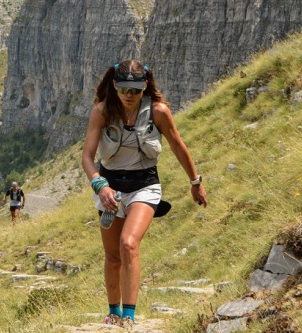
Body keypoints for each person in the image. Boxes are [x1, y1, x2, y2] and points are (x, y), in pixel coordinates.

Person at [81, 60, 207, 328]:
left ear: (145, 86)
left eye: (136, 90)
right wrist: (100, 185)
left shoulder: (158, 112)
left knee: (128, 244)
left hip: (145, 186)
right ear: (114, 86)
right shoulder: (101, 112)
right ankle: (113, 312)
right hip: (110, 188)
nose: (129, 95)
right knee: (113, 255)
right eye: (124, 88)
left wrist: (195, 181)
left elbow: (177, 145)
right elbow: (88, 157)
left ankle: (129, 316)